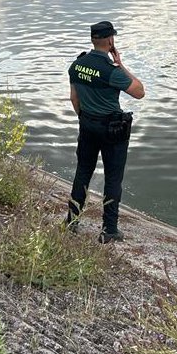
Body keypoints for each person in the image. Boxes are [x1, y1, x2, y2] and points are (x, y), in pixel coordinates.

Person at [66, 20, 145, 243]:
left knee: (83, 171)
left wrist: (84, 118)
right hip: (111, 129)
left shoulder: (76, 65)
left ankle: (72, 221)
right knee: (113, 178)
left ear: (93, 40)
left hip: (87, 124)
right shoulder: (112, 71)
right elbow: (139, 92)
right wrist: (120, 64)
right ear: (110, 41)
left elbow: (74, 98)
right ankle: (109, 230)